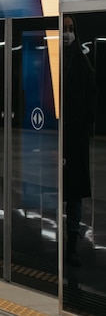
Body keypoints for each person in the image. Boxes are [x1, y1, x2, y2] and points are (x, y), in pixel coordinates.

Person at [62, 14, 97, 266]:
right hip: (54, 138)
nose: (67, 34)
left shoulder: (83, 65)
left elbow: (91, 103)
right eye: (64, 29)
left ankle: (71, 242)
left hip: (74, 139)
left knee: (73, 193)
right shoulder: (51, 62)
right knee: (62, 190)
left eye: (71, 29)